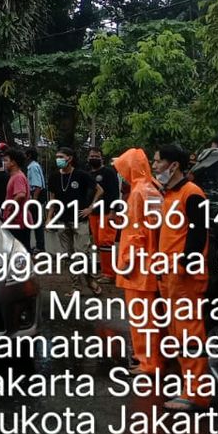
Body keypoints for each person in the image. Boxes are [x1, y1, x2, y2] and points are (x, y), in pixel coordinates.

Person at [154, 143, 211, 412]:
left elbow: (199, 234)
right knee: (179, 334)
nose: (155, 167)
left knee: (189, 334)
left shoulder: (191, 193)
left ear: (173, 165)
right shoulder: (171, 195)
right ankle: (190, 386)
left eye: (158, 162)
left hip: (184, 277)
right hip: (172, 277)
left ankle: (197, 393)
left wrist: (183, 265)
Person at [113, 148, 163, 376]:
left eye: (123, 169)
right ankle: (151, 358)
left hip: (138, 267)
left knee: (143, 318)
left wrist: (127, 260)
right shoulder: (152, 188)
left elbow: (138, 232)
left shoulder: (137, 193)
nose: (122, 174)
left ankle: (148, 362)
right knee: (152, 317)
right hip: (151, 263)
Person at [48, 147, 100, 295]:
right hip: (62, 220)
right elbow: (53, 199)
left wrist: (91, 207)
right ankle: (75, 287)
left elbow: (99, 190)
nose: (58, 159)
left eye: (61, 156)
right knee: (69, 256)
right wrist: (49, 218)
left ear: (69, 158)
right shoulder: (54, 177)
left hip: (80, 220)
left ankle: (90, 279)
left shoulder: (81, 175)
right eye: (57, 156)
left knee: (81, 253)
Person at [84, 148, 120, 282]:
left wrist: (113, 211)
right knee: (99, 243)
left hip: (107, 212)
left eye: (96, 155)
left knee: (106, 242)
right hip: (93, 213)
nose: (93, 158)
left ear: (101, 158)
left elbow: (115, 193)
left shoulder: (109, 172)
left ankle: (110, 274)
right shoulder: (89, 174)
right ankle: (105, 271)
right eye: (91, 155)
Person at [1, 148, 32, 251]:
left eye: (6, 160)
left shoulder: (18, 177)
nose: (4, 163)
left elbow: (21, 194)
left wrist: (10, 209)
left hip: (18, 221)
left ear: (13, 162)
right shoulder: (14, 176)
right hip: (16, 220)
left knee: (20, 250)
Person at [25, 149, 47, 254]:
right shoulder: (34, 166)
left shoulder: (32, 167)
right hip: (36, 197)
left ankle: (40, 246)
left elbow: (37, 185)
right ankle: (39, 245)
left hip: (35, 197)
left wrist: (34, 200)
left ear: (28, 156)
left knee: (35, 222)